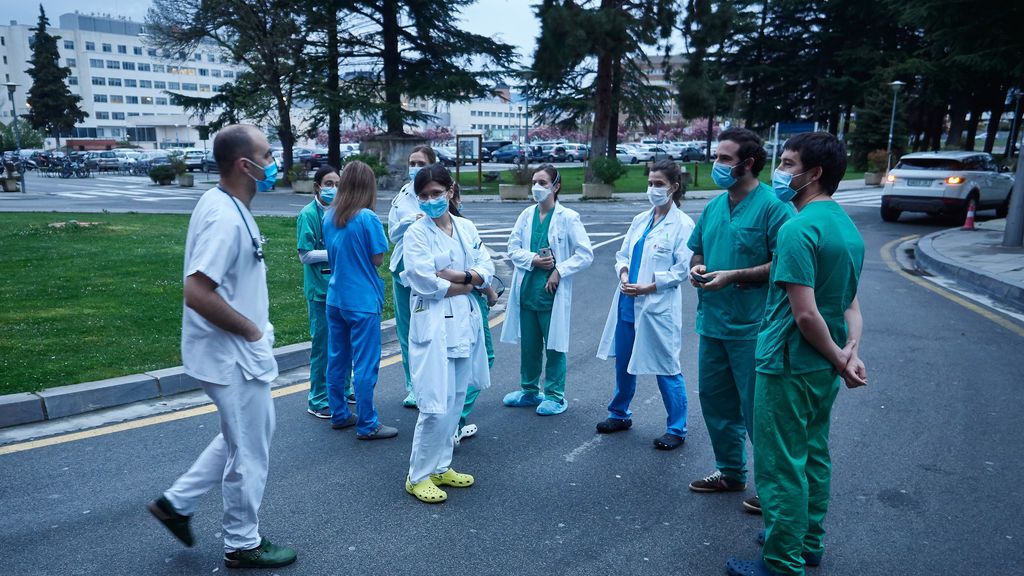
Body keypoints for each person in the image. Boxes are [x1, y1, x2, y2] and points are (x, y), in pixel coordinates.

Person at [147, 124, 297, 569]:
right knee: (250, 449)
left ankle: (177, 503)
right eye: (267, 156)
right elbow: (197, 290)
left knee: (245, 436)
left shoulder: (227, 204)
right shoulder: (225, 218)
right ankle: (241, 542)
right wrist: (251, 331)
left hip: (235, 354)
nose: (274, 164)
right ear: (244, 165)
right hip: (232, 357)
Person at [725, 132, 867, 576]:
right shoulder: (846, 228)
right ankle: (807, 542)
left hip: (788, 362)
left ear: (815, 173)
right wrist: (846, 354)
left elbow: (805, 315)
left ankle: (782, 562)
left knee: (779, 464)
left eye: (787, 164)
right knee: (813, 454)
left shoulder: (797, 228)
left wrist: (838, 357)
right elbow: (849, 305)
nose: (779, 172)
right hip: (821, 367)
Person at [686, 128, 793, 515]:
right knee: (716, 402)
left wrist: (734, 275)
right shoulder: (715, 206)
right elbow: (697, 249)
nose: (717, 165)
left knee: (758, 413)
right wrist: (696, 267)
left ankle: (773, 488)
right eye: (718, 156)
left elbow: (784, 263)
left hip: (752, 327)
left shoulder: (774, 208)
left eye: (725, 159)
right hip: (712, 322)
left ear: (748, 163)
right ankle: (730, 471)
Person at [400, 164, 494, 503]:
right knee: (434, 404)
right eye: (423, 196)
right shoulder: (417, 234)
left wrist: (459, 276)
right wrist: (468, 283)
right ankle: (418, 475)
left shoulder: (466, 228)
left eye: (436, 194)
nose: (429, 201)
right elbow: (423, 280)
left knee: (454, 400)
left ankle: (441, 466)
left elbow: (488, 267)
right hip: (435, 326)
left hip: (463, 327)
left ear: (450, 192)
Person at [595, 159, 695, 450]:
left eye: (659, 184)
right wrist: (624, 273)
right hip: (628, 302)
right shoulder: (641, 219)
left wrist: (649, 286)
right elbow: (623, 254)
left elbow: (682, 269)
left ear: (674, 187)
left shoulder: (683, 225)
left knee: (667, 367)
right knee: (624, 364)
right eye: (650, 183)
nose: (652, 189)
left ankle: (676, 428)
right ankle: (619, 413)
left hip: (656, 307)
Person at [500, 164, 594, 416]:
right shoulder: (526, 215)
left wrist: (559, 270)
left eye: (543, 182)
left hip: (552, 294)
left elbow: (585, 254)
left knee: (554, 346)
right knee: (529, 345)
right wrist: (533, 259)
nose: (537, 188)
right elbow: (512, 247)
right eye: (534, 182)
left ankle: (555, 395)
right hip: (528, 291)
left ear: (556, 186)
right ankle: (529, 390)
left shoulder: (568, 218)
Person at [322, 161, 397, 440]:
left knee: (337, 359)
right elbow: (377, 258)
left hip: (335, 297)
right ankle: (368, 423)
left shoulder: (328, 216)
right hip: (362, 300)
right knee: (365, 364)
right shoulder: (367, 218)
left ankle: (339, 413)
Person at [295, 164, 354, 419]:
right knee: (322, 346)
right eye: (329, 184)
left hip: (341, 288)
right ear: (318, 187)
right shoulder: (308, 215)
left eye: (338, 184)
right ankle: (317, 399)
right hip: (320, 291)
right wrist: (337, 253)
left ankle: (344, 388)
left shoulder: (341, 212)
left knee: (344, 343)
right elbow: (305, 254)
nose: (334, 189)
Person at [448, 184, 500, 445]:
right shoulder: (461, 228)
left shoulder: (459, 228)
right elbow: (478, 271)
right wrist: (485, 291)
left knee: (458, 363)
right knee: (480, 360)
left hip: (455, 303)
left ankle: (452, 423)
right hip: (466, 304)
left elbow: (482, 269)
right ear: (454, 196)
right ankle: (455, 422)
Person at [388, 145, 436, 408]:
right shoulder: (402, 195)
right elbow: (393, 234)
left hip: (429, 269)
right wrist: (409, 221)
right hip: (402, 268)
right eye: (412, 162)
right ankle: (413, 386)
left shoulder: (437, 194)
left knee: (428, 328)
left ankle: (432, 382)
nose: (414, 167)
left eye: (420, 163)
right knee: (406, 331)